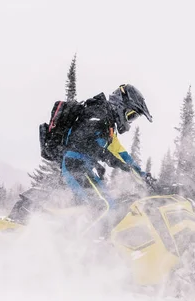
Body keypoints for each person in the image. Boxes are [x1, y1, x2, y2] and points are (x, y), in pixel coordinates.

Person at [59, 84, 153, 233]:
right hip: (75, 165)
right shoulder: (97, 114)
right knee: (104, 206)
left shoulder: (108, 125)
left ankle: (95, 242)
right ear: (121, 105)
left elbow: (121, 154)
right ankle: (81, 247)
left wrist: (142, 174)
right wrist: (113, 161)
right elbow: (86, 142)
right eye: (131, 115)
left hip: (83, 167)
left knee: (111, 205)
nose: (130, 120)